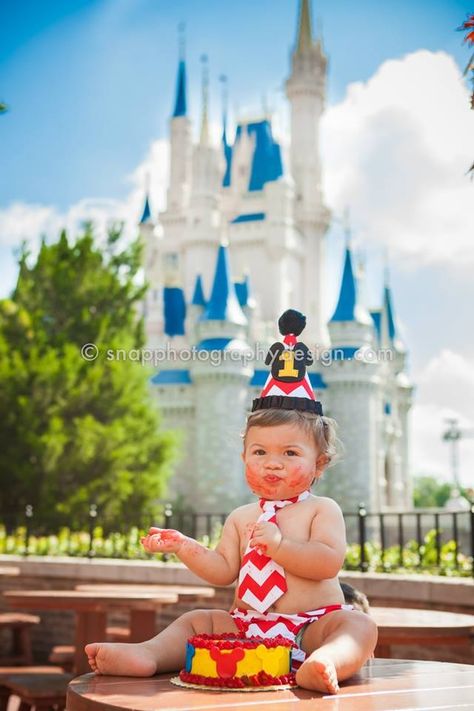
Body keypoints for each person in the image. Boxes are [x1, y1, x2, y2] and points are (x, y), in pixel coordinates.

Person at [85, 310, 378, 694]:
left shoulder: (321, 510)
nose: (272, 462)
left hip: (309, 627)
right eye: (259, 452)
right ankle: (149, 654)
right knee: (196, 621)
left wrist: (281, 546)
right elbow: (223, 569)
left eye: (290, 453)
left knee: (359, 626)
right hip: (246, 628)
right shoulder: (242, 517)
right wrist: (184, 546)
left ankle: (326, 662)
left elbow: (328, 562)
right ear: (243, 458)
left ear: (319, 463)